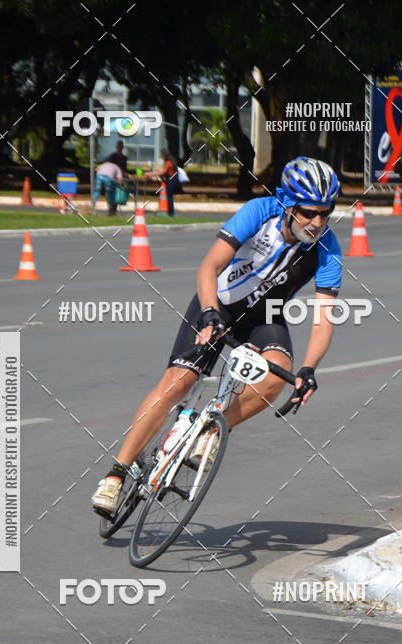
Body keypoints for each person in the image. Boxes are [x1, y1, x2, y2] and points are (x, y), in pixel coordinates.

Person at [92, 157, 342, 517]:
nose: (318, 222)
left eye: (326, 213)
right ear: (288, 203)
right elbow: (209, 267)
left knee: (278, 375)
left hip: (264, 316)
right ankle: (116, 475)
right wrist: (209, 311)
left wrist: (309, 369)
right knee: (178, 382)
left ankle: (211, 430)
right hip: (217, 302)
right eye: (309, 212)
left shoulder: (328, 248)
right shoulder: (259, 212)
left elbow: (323, 320)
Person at [144, 149, 180, 216]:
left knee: (169, 198)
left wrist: (148, 174)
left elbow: (161, 172)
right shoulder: (171, 161)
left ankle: (170, 213)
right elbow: (163, 172)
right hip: (173, 180)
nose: (161, 156)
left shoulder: (169, 162)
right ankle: (170, 212)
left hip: (171, 181)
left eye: (161, 155)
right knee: (169, 197)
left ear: (164, 155)